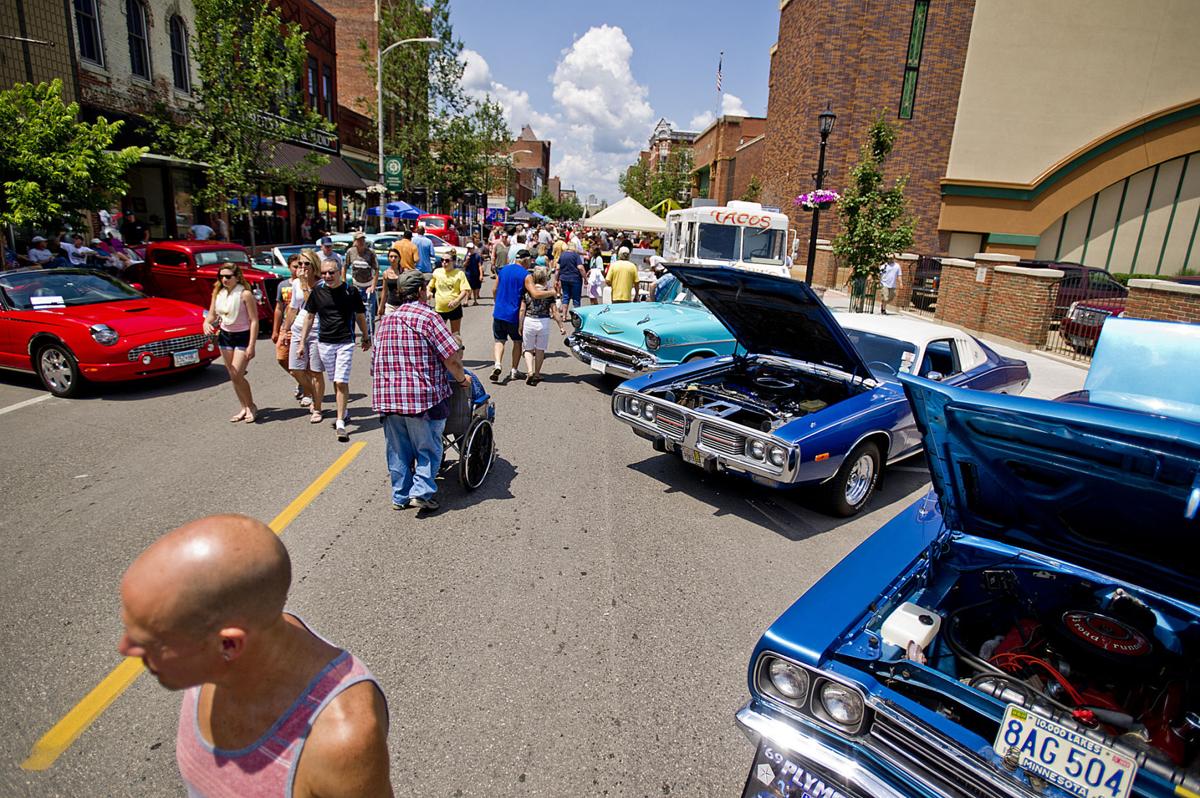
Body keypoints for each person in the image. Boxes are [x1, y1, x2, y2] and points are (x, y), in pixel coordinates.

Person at [117, 514, 393, 797]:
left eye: (153, 642)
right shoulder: (233, 636)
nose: (125, 649)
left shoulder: (339, 741)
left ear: (229, 646)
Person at [372, 270, 471, 513]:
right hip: (421, 398)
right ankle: (422, 492)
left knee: (398, 450)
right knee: (428, 448)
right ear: (420, 291)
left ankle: (400, 495)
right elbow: (451, 358)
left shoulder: (386, 321)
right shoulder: (428, 317)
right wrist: (462, 379)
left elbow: (374, 362)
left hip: (388, 396)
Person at [298, 258, 371, 442]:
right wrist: (301, 342)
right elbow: (309, 317)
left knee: (340, 381)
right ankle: (344, 410)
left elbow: (360, 315)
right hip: (325, 343)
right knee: (335, 379)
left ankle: (340, 423)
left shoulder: (350, 291)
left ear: (339, 272)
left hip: (345, 342)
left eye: (331, 272)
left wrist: (365, 335)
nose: (327, 276)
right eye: (324, 273)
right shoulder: (318, 292)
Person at [203, 263, 259, 423]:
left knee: (238, 373)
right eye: (221, 276)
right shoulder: (218, 293)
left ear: (237, 277)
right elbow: (211, 315)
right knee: (233, 376)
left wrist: (252, 345)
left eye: (228, 276)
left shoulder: (245, 294)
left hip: (242, 336)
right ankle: (244, 407)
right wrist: (206, 323)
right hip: (225, 336)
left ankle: (251, 406)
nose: (224, 279)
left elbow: (254, 320)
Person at [490, 249, 555, 383]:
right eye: (529, 261)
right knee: (517, 342)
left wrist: (498, 301)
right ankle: (514, 370)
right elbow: (535, 294)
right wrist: (552, 292)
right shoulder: (526, 275)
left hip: (499, 312)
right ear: (525, 260)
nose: (530, 264)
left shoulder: (503, 270)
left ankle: (497, 364)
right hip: (514, 314)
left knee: (499, 340)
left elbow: (494, 289)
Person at [287, 251, 325, 424]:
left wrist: (304, 284)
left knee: (316, 372)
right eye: (300, 264)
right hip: (298, 328)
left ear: (314, 265)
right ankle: (310, 392)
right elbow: (293, 308)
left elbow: (314, 306)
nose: (302, 268)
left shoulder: (323, 284)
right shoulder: (296, 283)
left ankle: (317, 407)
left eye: (306, 264)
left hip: (318, 330)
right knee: (295, 369)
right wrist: (283, 329)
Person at [519, 266, 565, 386]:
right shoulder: (548, 292)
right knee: (540, 350)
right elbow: (554, 311)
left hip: (529, 320)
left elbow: (522, 309)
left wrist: (520, 324)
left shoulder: (527, 291)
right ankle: (537, 373)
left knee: (528, 349)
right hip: (543, 322)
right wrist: (561, 326)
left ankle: (529, 371)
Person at [272, 253, 308, 404]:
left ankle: (308, 391)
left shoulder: (309, 283)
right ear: (289, 267)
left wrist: (305, 283)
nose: (299, 269)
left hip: (303, 326)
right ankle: (303, 381)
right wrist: (276, 330)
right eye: (295, 266)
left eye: (301, 265)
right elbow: (279, 308)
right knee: (282, 358)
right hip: (286, 326)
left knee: (302, 361)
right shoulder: (283, 285)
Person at [345, 232, 378, 334]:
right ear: (355, 241)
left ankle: (368, 335)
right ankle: (352, 334)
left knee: (370, 313)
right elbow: (344, 267)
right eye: (359, 240)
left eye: (363, 239)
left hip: (368, 285)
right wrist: (344, 283)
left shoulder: (370, 253)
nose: (362, 242)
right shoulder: (350, 252)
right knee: (353, 312)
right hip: (355, 286)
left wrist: (373, 285)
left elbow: (376, 269)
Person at [430, 252, 471, 334]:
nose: (444, 262)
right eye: (442, 260)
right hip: (440, 309)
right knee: (438, 334)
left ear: (453, 262)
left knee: (455, 334)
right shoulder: (437, 272)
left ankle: (457, 347)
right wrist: (429, 292)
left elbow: (464, 290)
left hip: (454, 308)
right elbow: (430, 286)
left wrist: (456, 301)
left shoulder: (459, 273)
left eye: (447, 260)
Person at [556, 240, 585, 315]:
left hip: (564, 278)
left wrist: (556, 279)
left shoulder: (562, 255)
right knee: (576, 298)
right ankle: (576, 316)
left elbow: (557, 268)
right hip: (575, 279)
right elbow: (580, 267)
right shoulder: (575, 255)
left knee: (565, 296)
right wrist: (585, 278)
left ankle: (564, 315)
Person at [378, 248, 404, 321]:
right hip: (390, 305)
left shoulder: (404, 272)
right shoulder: (386, 273)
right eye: (391, 256)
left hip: (402, 305)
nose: (393, 259)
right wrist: (381, 307)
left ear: (399, 258)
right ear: (388, 258)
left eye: (395, 257)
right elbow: (384, 291)